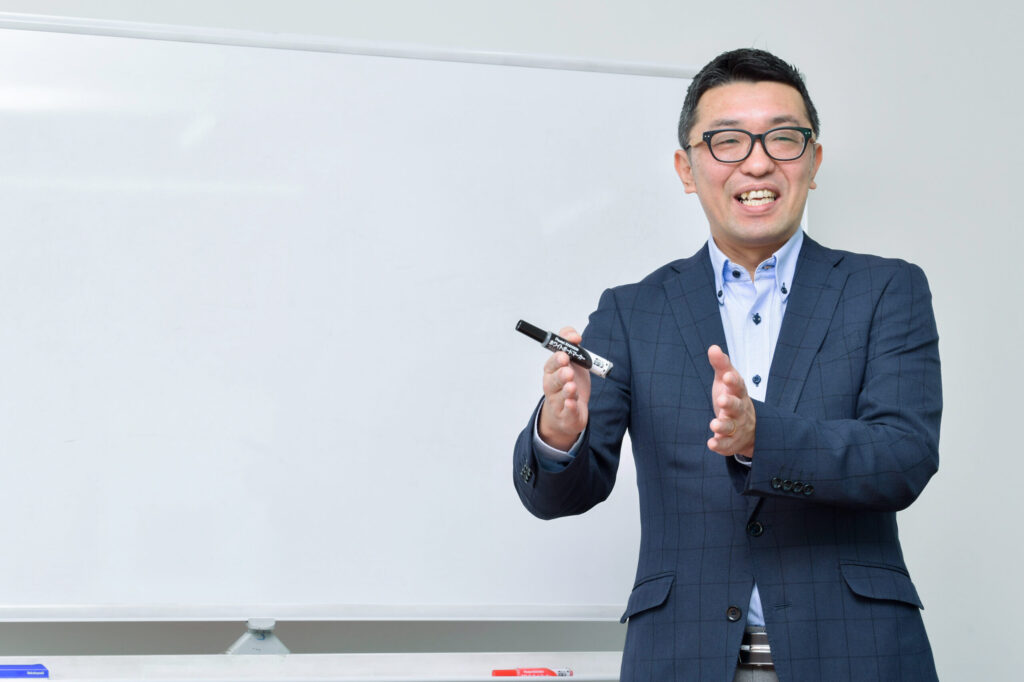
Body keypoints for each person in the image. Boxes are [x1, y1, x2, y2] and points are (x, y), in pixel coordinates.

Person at [512, 48, 941, 682]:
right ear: (687, 169)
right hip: (681, 658)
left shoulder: (885, 290)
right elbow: (557, 497)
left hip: (859, 656)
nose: (758, 162)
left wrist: (762, 438)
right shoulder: (632, 312)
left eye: (783, 138)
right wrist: (559, 431)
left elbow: (903, 457)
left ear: (814, 162)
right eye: (727, 141)